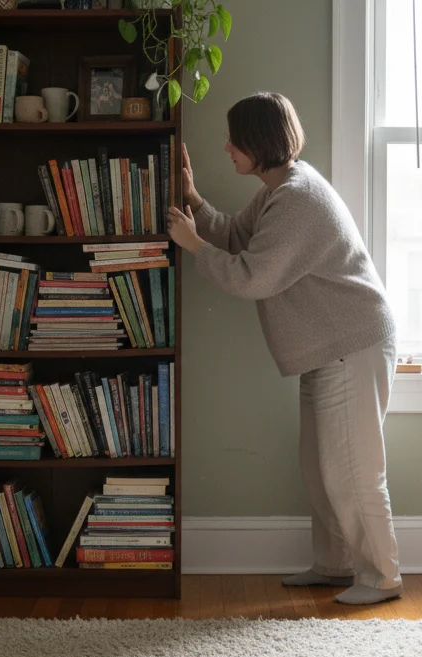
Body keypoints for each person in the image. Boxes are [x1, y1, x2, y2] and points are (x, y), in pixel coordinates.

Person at [165, 92, 402, 605]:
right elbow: (237, 235)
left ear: (260, 142)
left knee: (353, 472)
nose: (226, 147)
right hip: (330, 348)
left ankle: (382, 577)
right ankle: (336, 564)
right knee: (320, 471)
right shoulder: (280, 189)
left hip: (351, 344)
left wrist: (192, 245)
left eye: (235, 139)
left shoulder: (297, 197)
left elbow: (253, 276)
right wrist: (196, 202)